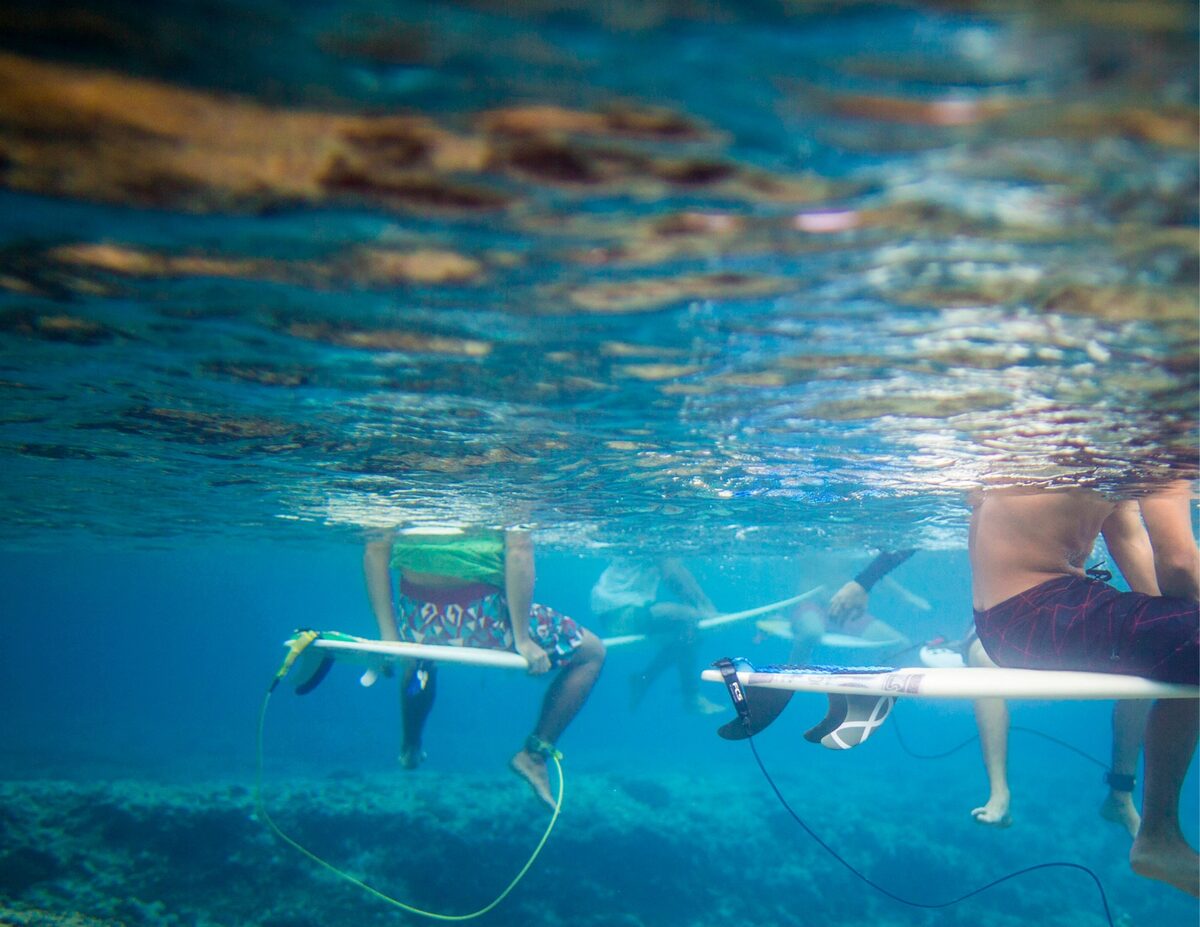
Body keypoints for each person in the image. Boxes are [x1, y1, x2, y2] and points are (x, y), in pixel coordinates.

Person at [969, 481, 1199, 896]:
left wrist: (1172, 630)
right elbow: (1180, 563)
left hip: (1014, 619)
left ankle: (1159, 836)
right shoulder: (1156, 430)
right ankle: (1159, 837)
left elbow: (1129, 539)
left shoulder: (1111, 432)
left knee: (1186, 642)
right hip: (1036, 612)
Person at [364, 526, 606, 808]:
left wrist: (389, 637)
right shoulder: (504, 486)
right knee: (592, 652)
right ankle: (535, 754)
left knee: (419, 658)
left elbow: (374, 550)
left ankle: (410, 746)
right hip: (484, 622)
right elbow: (519, 551)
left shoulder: (401, 486)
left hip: (417, 622)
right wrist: (522, 639)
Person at [590, 557, 726, 714]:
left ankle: (644, 680)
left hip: (619, 610)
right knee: (690, 620)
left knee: (688, 632)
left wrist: (706, 609)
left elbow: (681, 573)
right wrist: (706, 611)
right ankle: (691, 696)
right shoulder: (659, 548)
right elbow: (674, 577)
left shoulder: (661, 548)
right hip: (619, 612)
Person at [787, 550, 915, 663]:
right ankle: (790, 676)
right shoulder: (813, 543)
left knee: (901, 644)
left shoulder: (854, 545)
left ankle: (883, 684)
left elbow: (877, 571)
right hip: (812, 605)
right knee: (811, 633)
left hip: (844, 609)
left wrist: (905, 594)